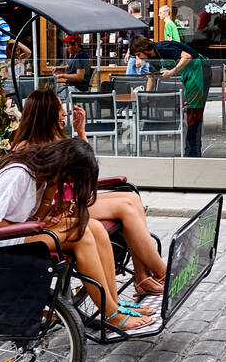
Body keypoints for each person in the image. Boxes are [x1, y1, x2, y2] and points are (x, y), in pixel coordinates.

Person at [0, 137, 153, 331]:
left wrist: (47, 206)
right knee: (81, 237)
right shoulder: (18, 175)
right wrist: (31, 223)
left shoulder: (42, 177)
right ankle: (110, 315)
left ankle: (114, 305)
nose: (68, 185)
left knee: (94, 227)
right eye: (71, 180)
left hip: (17, 233)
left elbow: (32, 216)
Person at [13, 89, 168, 298]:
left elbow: (82, 170)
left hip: (71, 200)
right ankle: (163, 274)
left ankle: (142, 277)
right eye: (60, 108)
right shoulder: (27, 148)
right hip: (61, 208)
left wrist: (81, 133)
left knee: (131, 197)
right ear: (46, 112)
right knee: (126, 206)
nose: (65, 114)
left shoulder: (53, 138)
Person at [131, 34, 209, 158]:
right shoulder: (152, 59)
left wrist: (171, 72)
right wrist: (145, 96)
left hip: (199, 70)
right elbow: (151, 78)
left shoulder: (162, 47)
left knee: (194, 113)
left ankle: (193, 153)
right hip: (189, 76)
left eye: (138, 55)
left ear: (144, 49)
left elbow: (187, 56)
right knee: (191, 113)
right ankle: (190, 151)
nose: (139, 59)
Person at [124, 3, 151, 76]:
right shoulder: (144, 23)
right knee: (144, 82)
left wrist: (137, 58)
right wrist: (128, 52)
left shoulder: (136, 23)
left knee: (131, 83)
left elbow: (139, 42)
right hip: (144, 56)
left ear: (130, 11)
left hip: (136, 58)